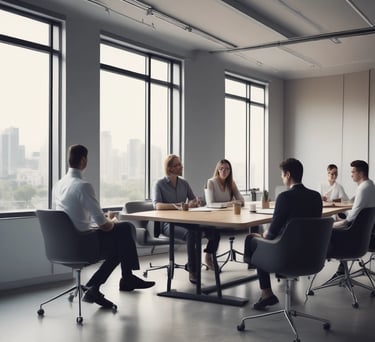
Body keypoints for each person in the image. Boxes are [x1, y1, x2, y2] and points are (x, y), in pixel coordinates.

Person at [53, 144, 155, 309]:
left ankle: (115, 281)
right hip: (82, 245)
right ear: (83, 160)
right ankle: (118, 280)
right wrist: (111, 221)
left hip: (64, 245)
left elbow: (63, 217)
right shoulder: (83, 186)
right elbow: (105, 226)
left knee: (121, 238)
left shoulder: (58, 185)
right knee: (125, 229)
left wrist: (99, 223)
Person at [244, 158, 322, 310]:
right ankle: (272, 273)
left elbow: (271, 233)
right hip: (312, 255)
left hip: (287, 255)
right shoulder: (316, 197)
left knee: (253, 240)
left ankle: (266, 293)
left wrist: (263, 236)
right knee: (261, 241)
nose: (282, 178)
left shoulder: (285, 197)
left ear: (287, 174)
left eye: (282, 175)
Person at [152, 154, 220, 283]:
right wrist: (178, 206)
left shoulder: (184, 183)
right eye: (178, 165)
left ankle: (209, 257)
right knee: (191, 234)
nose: (181, 166)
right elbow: (157, 205)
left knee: (213, 230)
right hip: (167, 224)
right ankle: (192, 270)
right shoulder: (159, 184)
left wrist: (196, 202)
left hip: (185, 220)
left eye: (180, 164)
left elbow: (193, 199)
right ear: (170, 168)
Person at [330, 160, 375, 277]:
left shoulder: (363, 189)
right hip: (364, 234)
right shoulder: (370, 185)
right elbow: (355, 213)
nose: (351, 175)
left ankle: (339, 270)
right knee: (341, 220)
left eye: (353, 172)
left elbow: (350, 221)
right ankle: (341, 270)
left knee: (327, 230)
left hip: (353, 237)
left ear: (360, 173)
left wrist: (331, 225)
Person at [205, 159, 244, 267]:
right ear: (217, 169)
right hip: (212, 216)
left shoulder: (231, 183)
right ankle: (208, 256)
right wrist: (230, 203)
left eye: (227, 169)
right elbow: (210, 203)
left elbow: (241, 200)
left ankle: (251, 260)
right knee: (215, 231)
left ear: (230, 171)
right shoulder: (211, 182)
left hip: (227, 217)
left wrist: (235, 202)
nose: (224, 171)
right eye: (221, 168)